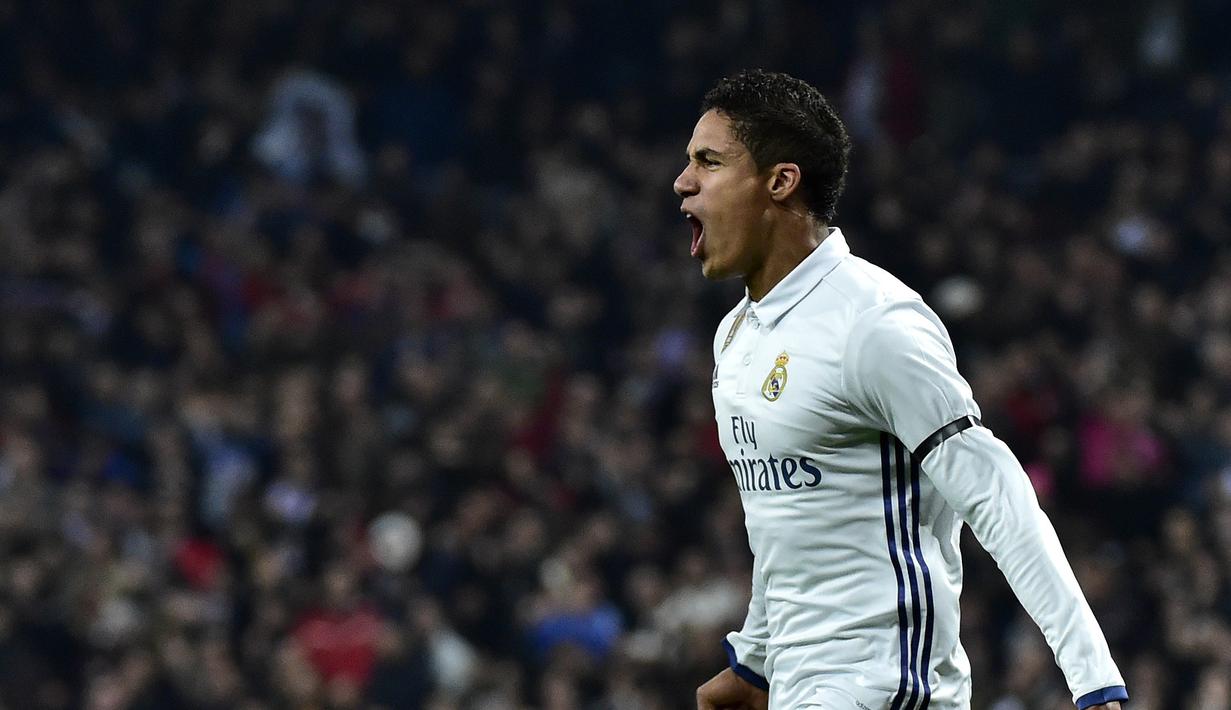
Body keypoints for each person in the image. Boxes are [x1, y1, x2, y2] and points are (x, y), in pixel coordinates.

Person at [675, 69, 1127, 710]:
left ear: (780, 181)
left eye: (709, 161)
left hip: (887, 687)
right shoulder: (736, 336)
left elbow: (996, 493)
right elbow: (793, 527)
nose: (683, 181)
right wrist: (755, 660)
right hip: (802, 690)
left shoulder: (874, 324)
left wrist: (1093, 679)